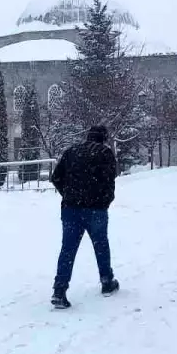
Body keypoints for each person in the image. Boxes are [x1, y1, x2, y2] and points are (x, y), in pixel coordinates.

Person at [48, 125, 120, 309]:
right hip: (96, 209)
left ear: (88, 137)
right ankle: (106, 282)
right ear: (103, 138)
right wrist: (104, 200)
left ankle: (59, 290)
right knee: (101, 245)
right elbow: (110, 179)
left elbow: (56, 177)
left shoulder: (71, 151)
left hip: (71, 209)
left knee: (68, 249)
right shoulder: (105, 153)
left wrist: (68, 194)